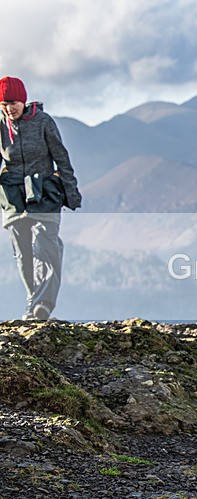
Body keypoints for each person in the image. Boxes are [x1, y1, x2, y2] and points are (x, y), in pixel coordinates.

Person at [0, 76, 82, 320]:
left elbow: (62, 158)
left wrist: (71, 192)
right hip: (14, 195)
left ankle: (43, 304)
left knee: (45, 246)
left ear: (23, 100)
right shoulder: (1, 125)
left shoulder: (43, 122)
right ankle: (32, 302)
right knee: (23, 252)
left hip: (44, 192)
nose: (8, 109)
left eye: (12, 103)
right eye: (3, 104)